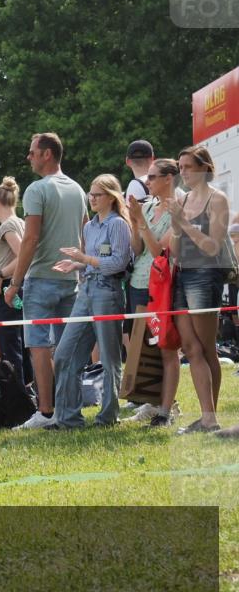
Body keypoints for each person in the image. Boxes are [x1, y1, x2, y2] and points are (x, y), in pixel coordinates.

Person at [39, 174, 132, 430]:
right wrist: (77, 263)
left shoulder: (118, 225)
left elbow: (118, 263)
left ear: (111, 198)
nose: (91, 199)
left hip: (108, 292)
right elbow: (96, 260)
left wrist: (84, 259)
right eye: (90, 194)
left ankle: (108, 416)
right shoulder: (90, 227)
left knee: (110, 357)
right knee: (63, 354)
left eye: (96, 195)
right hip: (86, 290)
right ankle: (68, 418)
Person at [7, 133, 88, 427]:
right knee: (69, 347)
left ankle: (46, 412)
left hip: (41, 278)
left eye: (32, 152)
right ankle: (68, 408)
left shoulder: (36, 189)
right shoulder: (78, 190)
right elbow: (85, 232)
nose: (28, 157)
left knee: (39, 346)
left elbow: (30, 238)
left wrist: (15, 283)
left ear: (47, 154)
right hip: (72, 280)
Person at [170, 146, 232, 434]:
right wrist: (175, 226)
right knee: (191, 348)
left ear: (204, 168)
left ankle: (210, 416)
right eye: (180, 167)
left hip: (206, 275)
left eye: (187, 167)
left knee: (207, 348)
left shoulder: (217, 200)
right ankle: (206, 417)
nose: (182, 172)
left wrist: (183, 224)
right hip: (182, 275)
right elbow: (175, 247)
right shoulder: (182, 201)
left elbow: (212, 246)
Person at [125, 158, 182, 426]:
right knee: (144, 349)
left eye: (152, 177)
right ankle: (153, 401)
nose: (147, 183)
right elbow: (137, 250)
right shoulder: (147, 207)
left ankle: (167, 409)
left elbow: (160, 251)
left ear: (169, 178)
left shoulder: (178, 208)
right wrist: (135, 222)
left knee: (166, 347)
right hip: (138, 282)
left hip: (162, 284)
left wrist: (141, 222)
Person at [0, 177, 29, 386]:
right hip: (18, 285)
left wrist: (1, 273)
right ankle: (27, 391)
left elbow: (22, 254)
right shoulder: (21, 222)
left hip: (7, 287)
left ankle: (17, 394)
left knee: (9, 346)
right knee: (21, 343)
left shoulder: (6, 226)